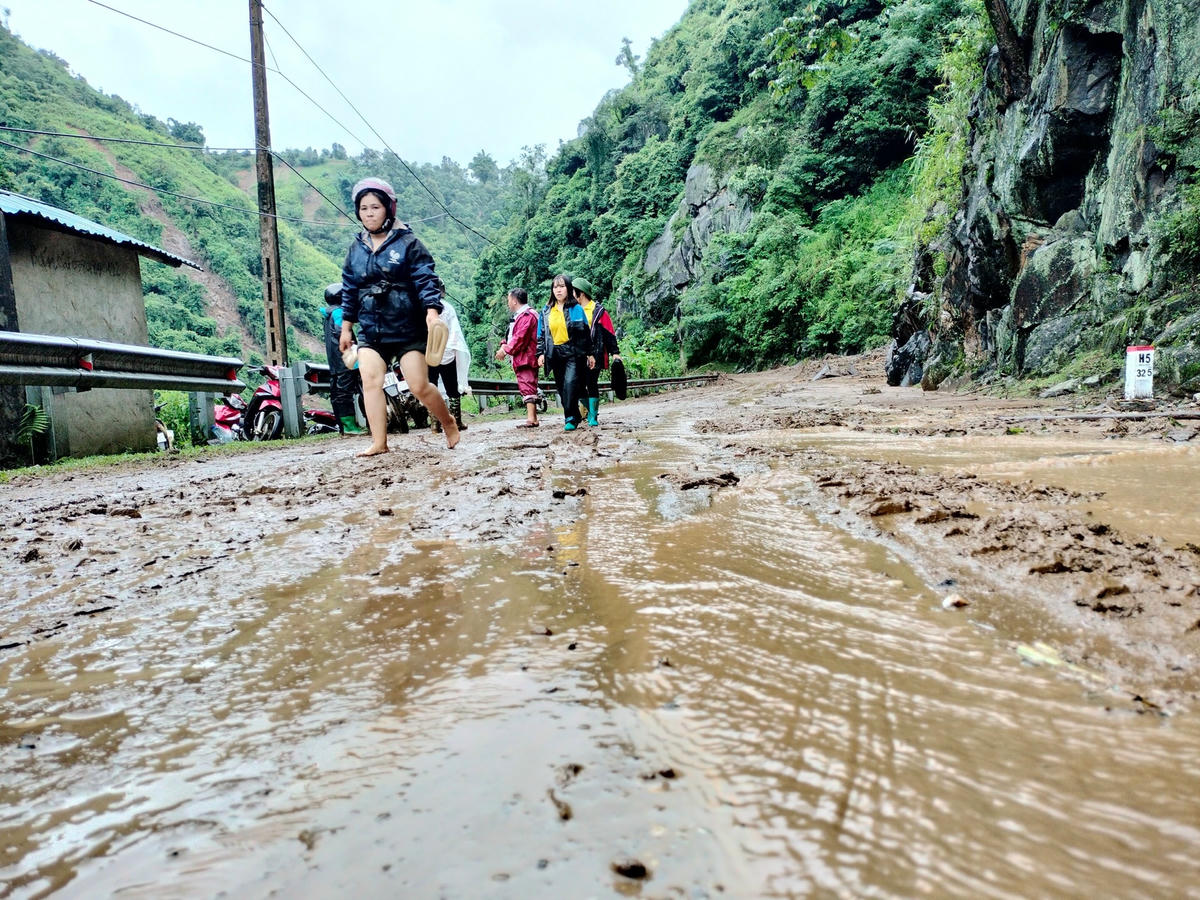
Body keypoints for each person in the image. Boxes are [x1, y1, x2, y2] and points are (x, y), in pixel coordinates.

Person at [338, 177, 459, 454]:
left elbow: (425, 279)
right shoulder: (356, 249)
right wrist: (347, 328)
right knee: (370, 380)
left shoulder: (409, 243)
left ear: (388, 209)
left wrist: (431, 313)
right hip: (372, 328)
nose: (369, 213)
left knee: (418, 385)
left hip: (408, 327)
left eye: (375, 207)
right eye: (364, 208)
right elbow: (349, 288)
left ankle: (447, 420)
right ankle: (379, 442)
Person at [537, 273, 593, 431]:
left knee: (570, 384)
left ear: (568, 289)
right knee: (561, 388)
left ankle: (569, 418)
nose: (558, 290)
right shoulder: (546, 311)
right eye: (555, 287)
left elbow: (585, 333)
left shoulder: (576, 309)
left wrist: (590, 354)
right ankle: (573, 416)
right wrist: (540, 353)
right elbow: (540, 334)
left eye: (562, 286)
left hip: (573, 353)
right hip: (554, 353)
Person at [572, 276, 621, 427]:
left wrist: (615, 352)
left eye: (573, 292)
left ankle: (593, 416)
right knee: (578, 385)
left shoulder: (599, 311)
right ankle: (589, 412)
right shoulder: (573, 310)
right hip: (578, 355)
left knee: (591, 383)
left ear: (580, 293)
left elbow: (609, 333)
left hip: (597, 353)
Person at [320, 283, 366, 435]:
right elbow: (342, 332)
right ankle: (350, 427)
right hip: (347, 359)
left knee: (337, 392)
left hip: (334, 361)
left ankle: (344, 427)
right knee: (347, 392)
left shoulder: (329, 314)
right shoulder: (339, 313)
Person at [428, 288, 471, 434]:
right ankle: (457, 421)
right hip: (447, 354)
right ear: (443, 292)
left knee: (431, 387)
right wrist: (451, 348)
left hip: (429, 354)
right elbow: (455, 332)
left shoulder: (423, 307)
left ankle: (435, 424)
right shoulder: (448, 308)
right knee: (452, 388)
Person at [495, 287, 540, 427]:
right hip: (524, 356)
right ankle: (533, 418)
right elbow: (513, 337)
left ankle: (531, 419)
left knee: (527, 385)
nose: (508, 303)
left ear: (514, 301)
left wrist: (505, 350)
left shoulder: (527, 316)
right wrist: (505, 345)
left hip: (526, 357)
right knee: (527, 384)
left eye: (509, 300)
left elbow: (520, 338)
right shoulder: (524, 315)